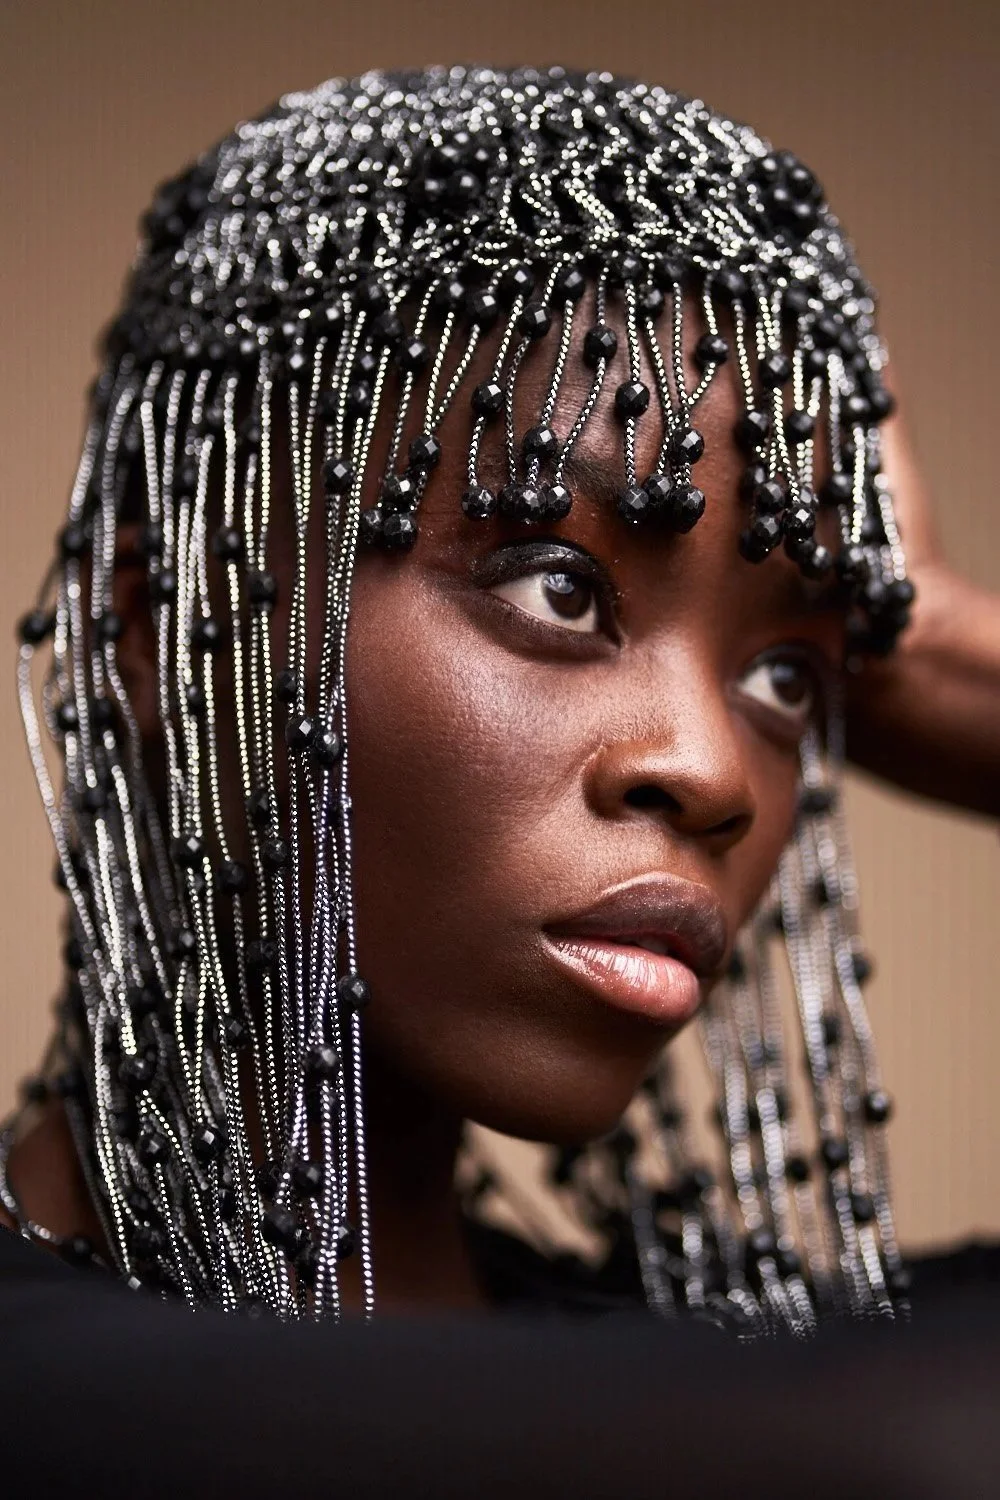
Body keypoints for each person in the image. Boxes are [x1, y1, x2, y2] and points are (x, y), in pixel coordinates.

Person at [2, 64, 999, 1491]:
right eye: (557, 583)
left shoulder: (702, 1363)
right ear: (152, 625)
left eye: (791, 680)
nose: (714, 771)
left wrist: (934, 639)